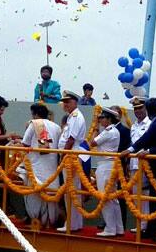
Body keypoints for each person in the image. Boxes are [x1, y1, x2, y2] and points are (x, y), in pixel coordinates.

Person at [120, 98, 156, 242]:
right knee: (154, 200)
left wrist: (148, 150)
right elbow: (145, 139)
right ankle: (153, 229)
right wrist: (131, 149)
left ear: (148, 110)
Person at [19, 103, 62, 228]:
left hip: (36, 167)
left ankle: (37, 220)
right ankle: (49, 222)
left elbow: (25, 144)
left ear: (35, 114)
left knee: (33, 195)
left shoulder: (34, 124)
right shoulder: (57, 127)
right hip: (52, 168)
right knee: (51, 194)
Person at [88, 107, 124, 237]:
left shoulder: (108, 131)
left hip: (106, 165)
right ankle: (118, 227)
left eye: (102, 118)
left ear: (109, 119)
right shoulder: (114, 131)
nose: (100, 120)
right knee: (113, 198)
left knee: (105, 197)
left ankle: (110, 228)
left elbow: (92, 143)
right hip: (110, 164)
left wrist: (96, 128)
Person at [57, 90, 87, 232]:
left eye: (68, 102)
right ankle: (75, 222)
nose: (65, 105)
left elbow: (71, 139)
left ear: (75, 102)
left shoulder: (75, 117)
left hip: (71, 155)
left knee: (71, 190)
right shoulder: (71, 117)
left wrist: (63, 156)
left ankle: (72, 224)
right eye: (64, 102)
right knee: (73, 190)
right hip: (70, 154)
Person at [127, 96, 151, 233]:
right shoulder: (134, 125)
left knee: (144, 195)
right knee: (136, 195)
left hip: (145, 164)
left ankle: (145, 224)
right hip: (134, 164)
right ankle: (140, 222)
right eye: (135, 108)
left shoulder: (150, 124)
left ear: (146, 108)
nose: (138, 111)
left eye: (140, 108)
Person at [110, 105, 131, 228]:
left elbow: (124, 149)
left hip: (119, 166)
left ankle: (121, 222)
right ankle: (109, 221)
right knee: (108, 194)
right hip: (109, 165)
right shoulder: (109, 129)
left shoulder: (124, 130)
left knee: (119, 195)